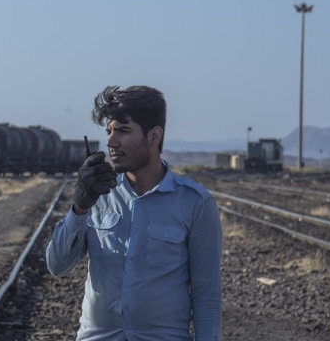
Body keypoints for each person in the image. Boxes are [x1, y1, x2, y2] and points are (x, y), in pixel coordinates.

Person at [46, 85, 222, 340]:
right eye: (109, 131)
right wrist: (80, 207)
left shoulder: (195, 203)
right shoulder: (98, 194)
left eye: (123, 131)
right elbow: (57, 265)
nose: (110, 141)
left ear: (154, 136)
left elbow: (207, 298)